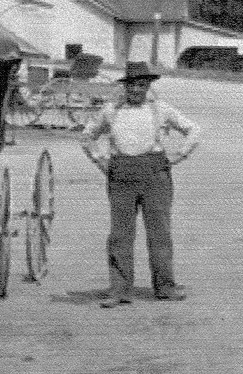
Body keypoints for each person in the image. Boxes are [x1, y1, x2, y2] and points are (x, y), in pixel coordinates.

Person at [80, 61, 202, 306]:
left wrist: (181, 154)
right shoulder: (111, 110)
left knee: (159, 233)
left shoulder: (160, 109)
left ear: (148, 87)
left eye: (141, 85)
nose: (136, 90)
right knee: (120, 235)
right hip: (121, 176)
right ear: (125, 87)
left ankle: (165, 287)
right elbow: (87, 135)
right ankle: (120, 290)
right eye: (132, 85)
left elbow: (193, 129)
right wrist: (99, 160)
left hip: (155, 175)